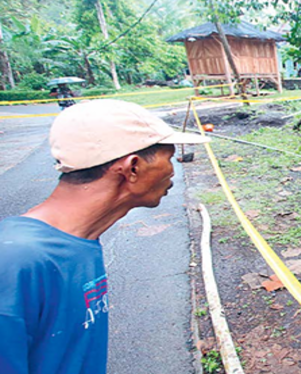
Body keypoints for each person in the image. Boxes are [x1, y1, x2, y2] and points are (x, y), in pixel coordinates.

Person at [0, 99, 210, 374]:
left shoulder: (79, 242)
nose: (173, 171)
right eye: (169, 158)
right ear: (133, 168)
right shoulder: (15, 261)